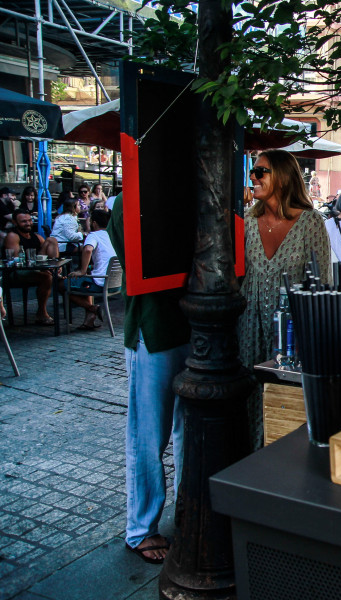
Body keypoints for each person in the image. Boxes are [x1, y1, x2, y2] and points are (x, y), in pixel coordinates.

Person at [107, 195, 191, 565]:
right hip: (153, 327)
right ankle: (141, 528)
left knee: (188, 429)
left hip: (192, 325)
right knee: (148, 434)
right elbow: (138, 258)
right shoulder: (132, 198)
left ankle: (187, 512)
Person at [239, 149, 332, 450]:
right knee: (250, 401)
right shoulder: (248, 222)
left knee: (286, 403)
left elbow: (323, 286)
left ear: (282, 177)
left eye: (260, 172)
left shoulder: (310, 222)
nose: (253, 177)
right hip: (249, 328)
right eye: (253, 172)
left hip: (292, 334)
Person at [3, 210, 60, 325]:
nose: (28, 223)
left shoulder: (36, 237)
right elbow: (15, 261)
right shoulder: (13, 236)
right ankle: (42, 313)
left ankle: (56, 269)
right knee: (46, 277)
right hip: (16, 273)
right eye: (24, 221)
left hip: (34, 269)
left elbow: (47, 252)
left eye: (29, 220)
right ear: (15, 222)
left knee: (52, 240)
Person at [63, 209, 115, 330]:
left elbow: (87, 250)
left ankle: (92, 308)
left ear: (94, 223)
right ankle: (89, 320)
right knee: (86, 280)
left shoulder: (94, 235)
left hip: (102, 282)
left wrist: (82, 270)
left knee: (61, 284)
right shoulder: (112, 235)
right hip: (115, 282)